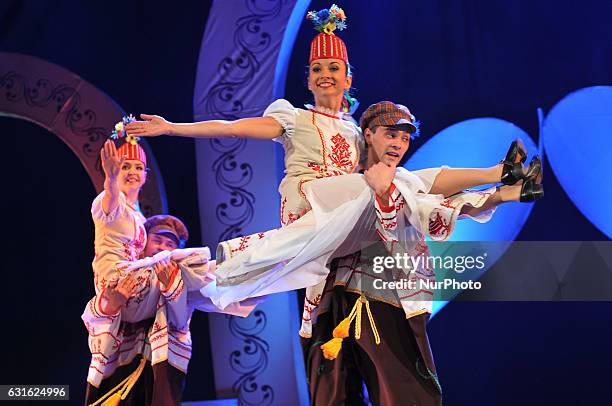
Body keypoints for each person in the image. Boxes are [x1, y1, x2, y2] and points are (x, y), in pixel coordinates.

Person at [125, 5, 540, 339]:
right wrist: (171, 127)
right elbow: (232, 128)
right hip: (311, 204)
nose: (325, 75)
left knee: (412, 185)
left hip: (345, 210)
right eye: (317, 69)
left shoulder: (357, 131)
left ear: (347, 78)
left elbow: (397, 177)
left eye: (333, 69)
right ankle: (500, 181)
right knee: (397, 183)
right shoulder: (292, 119)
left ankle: (500, 176)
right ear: (308, 79)